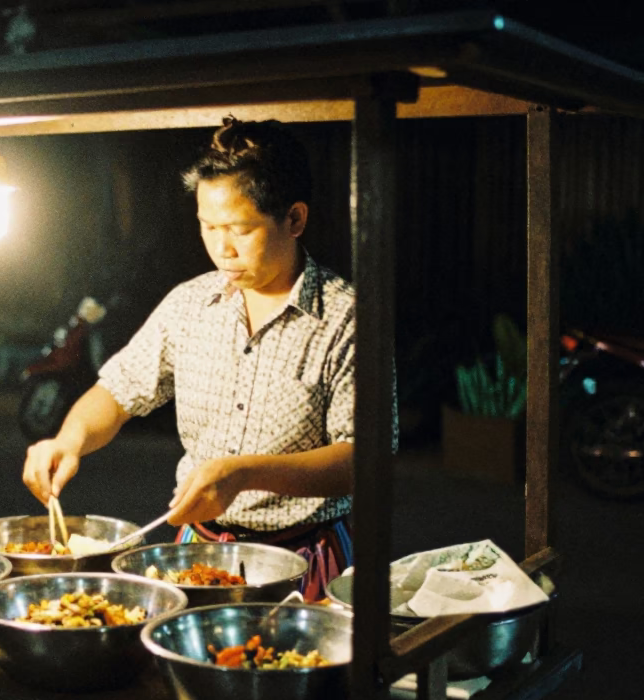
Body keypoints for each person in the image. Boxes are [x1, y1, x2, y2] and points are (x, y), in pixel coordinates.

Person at [23, 117, 380, 600]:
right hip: (198, 553)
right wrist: (68, 441)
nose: (222, 248)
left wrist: (244, 473)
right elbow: (118, 392)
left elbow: (364, 458)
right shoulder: (190, 305)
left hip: (308, 560)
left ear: (294, 219)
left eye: (241, 229)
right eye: (208, 227)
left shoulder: (346, 318)